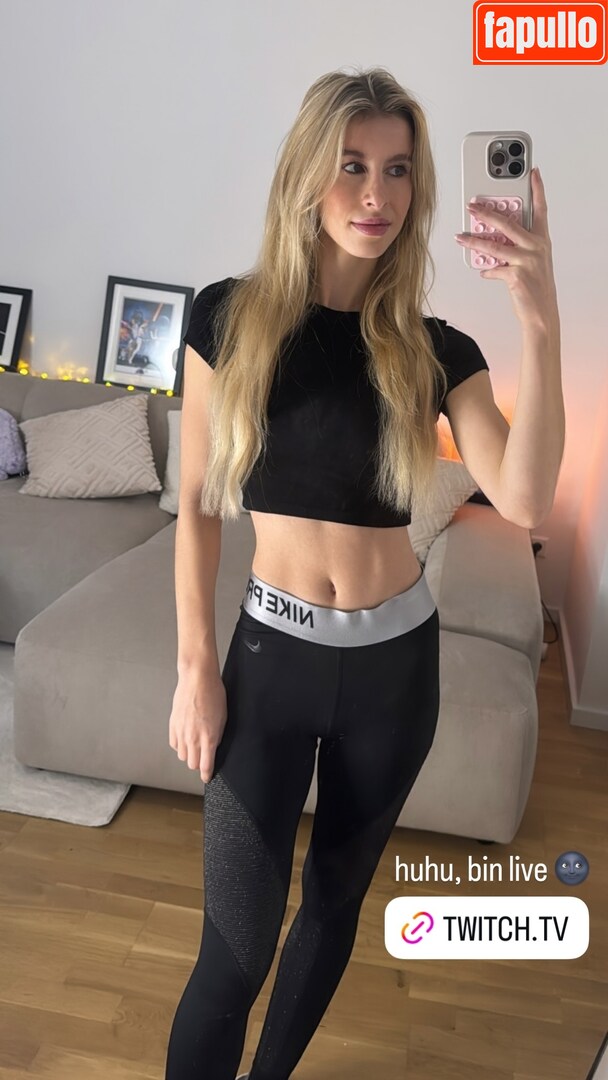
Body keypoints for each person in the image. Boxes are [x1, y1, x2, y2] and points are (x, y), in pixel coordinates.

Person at [165, 67, 563, 1080]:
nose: (376, 194)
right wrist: (196, 665)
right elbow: (198, 509)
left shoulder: (433, 350)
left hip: (395, 673)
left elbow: (522, 498)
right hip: (270, 659)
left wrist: (540, 319)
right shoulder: (225, 319)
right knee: (233, 949)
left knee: (334, 905)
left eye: (397, 170)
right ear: (307, 173)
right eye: (351, 166)